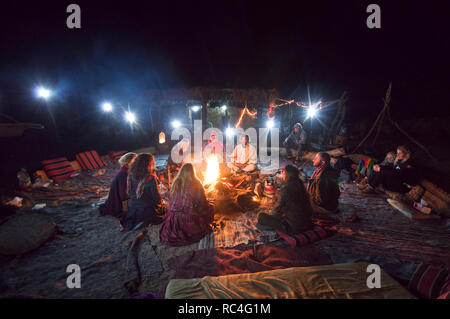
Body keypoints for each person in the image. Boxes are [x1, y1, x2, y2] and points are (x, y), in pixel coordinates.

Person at [160, 163, 214, 246]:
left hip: (172, 220)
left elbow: (171, 200)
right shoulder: (196, 183)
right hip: (187, 221)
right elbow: (202, 204)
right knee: (211, 207)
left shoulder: (175, 183)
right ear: (193, 172)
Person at [257, 165, 312, 234]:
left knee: (261, 216)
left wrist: (271, 215)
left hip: (293, 226)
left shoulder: (287, 188)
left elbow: (278, 207)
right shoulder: (300, 184)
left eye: (282, 173)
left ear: (286, 174)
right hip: (307, 223)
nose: (281, 175)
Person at [121, 153, 165, 231]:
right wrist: (162, 200)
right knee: (165, 207)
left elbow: (130, 193)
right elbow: (157, 199)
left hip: (133, 208)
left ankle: (140, 221)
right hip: (147, 210)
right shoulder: (150, 178)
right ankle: (145, 220)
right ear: (149, 165)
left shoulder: (130, 175)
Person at [99, 152, 137, 217]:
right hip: (118, 202)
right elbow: (123, 193)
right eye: (135, 160)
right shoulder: (123, 173)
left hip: (123, 196)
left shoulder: (125, 169)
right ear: (129, 161)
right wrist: (126, 209)